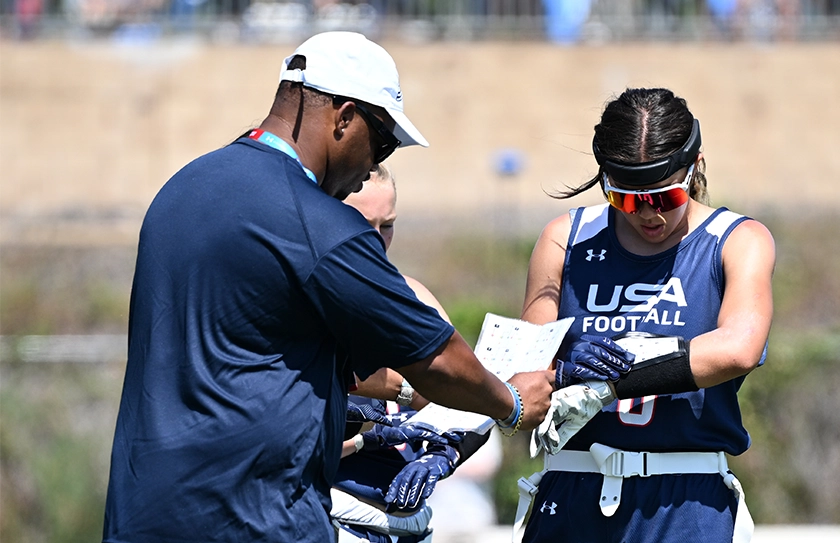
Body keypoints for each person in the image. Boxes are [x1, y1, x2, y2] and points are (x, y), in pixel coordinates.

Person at [102, 31, 557, 543]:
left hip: (141, 515)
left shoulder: (182, 189)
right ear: (343, 118)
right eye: (382, 142)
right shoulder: (319, 226)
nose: (370, 172)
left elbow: (252, 352)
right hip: (254, 520)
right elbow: (437, 360)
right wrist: (511, 402)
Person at [517, 88, 775, 543]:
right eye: (629, 200)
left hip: (685, 499)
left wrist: (609, 383)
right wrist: (556, 367)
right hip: (572, 491)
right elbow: (525, 369)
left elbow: (738, 349)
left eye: (666, 196)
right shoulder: (564, 237)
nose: (649, 213)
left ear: (695, 168)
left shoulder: (738, 240)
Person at [332, 164, 496, 543]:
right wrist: (363, 436)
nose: (375, 240)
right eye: (361, 224)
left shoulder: (415, 295)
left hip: (409, 527)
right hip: (332, 518)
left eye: (386, 225)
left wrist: (443, 455)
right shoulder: (311, 306)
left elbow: (477, 402)